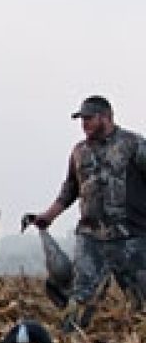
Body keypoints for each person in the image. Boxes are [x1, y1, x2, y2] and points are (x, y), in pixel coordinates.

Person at [22, 95, 146, 329]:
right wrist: (46, 217)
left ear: (106, 117)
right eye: (82, 119)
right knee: (79, 299)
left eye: (89, 118)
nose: (84, 124)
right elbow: (69, 190)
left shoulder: (133, 144)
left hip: (132, 238)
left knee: (141, 301)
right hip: (91, 238)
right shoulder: (79, 152)